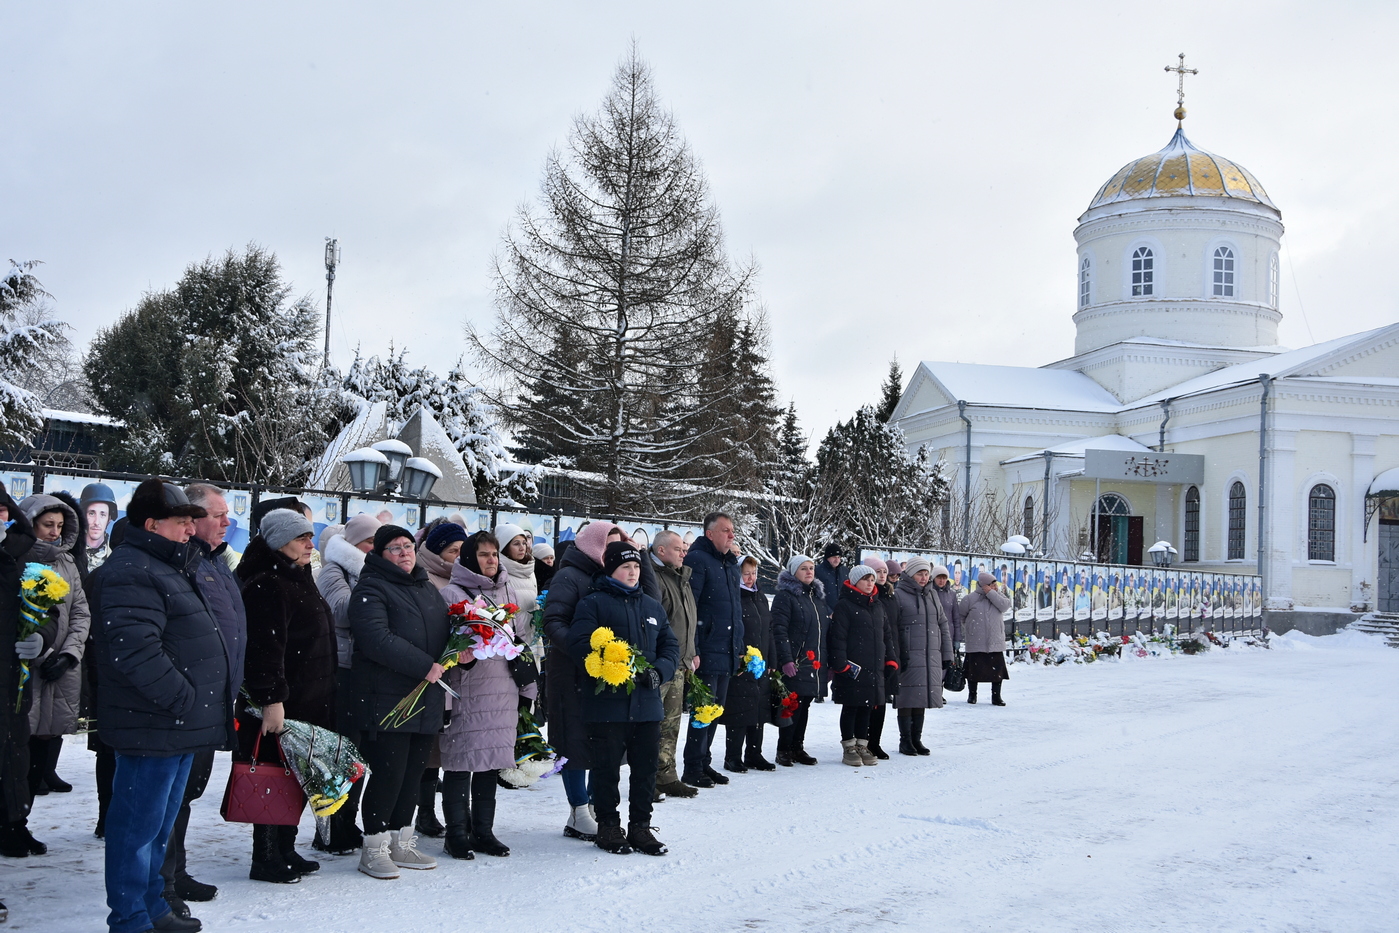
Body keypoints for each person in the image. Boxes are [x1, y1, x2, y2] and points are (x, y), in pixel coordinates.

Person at [88, 479, 230, 933]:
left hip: (176, 725)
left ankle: (152, 908)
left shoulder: (167, 564)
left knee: (157, 829)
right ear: (152, 525)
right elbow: (136, 652)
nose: (190, 530)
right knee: (136, 831)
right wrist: (184, 699)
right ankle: (130, 919)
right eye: (182, 522)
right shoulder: (132, 570)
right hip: (152, 724)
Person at [158, 483, 246, 916]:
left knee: (187, 793)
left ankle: (175, 872)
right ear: (191, 520)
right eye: (218, 515)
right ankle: (162, 884)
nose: (227, 522)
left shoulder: (215, 562)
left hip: (213, 700)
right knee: (168, 798)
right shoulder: (183, 563)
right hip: (187, 702)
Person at [237, 508, 337, 884]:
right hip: (283, 702)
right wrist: (271, 699)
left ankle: (285, 847)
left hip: (308, 698)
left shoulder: (297, 574)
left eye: (311, 537)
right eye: (301, 538)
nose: (310, 544)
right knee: (273, 775)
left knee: (295, 775)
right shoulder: (267, 583)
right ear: (279, 542)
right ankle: (265, 857)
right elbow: (265, 649)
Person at [543, 522, 659, 843]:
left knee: (604, 745)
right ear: (593, 544)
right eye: (609, 543)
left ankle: (595, 806)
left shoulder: (614, 574)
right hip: (573, 673)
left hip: (609, 675)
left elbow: (652, 600)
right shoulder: (570, 575)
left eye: (619, 544)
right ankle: (579, 810)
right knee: (574, 740)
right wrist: (588, 651)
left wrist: (640, 557)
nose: (614, 549)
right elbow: (553, 621)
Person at [347, 525, 449, 880]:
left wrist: (461, 652)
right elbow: (376, 638)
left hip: (426, 697)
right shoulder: (371, 587)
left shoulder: (425, 586)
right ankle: (373, 847)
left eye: (408, 546)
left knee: (413, 774)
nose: (405, 552)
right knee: (389, 774)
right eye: (395, 548)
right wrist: (424, 665)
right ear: (379, 554)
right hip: (387, 698)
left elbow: (443, 633)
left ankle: (401, 841)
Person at [566, 542, 679, 856]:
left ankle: (641, 827)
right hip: (607, 705)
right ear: (611, 569)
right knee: (606, 770)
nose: (632, 572)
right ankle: (608, 826)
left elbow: (671, 646)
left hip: (647, 705)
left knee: (645, 770)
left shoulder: (652, 606)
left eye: (636, 567)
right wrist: (613, 666)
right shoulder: (593, 603)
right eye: (625, 567)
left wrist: (658, 672)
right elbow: (580, 644)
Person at [437, 531, 536, 860]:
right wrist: (460, 658)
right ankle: (456, 834)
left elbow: (520, 641)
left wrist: (528, 688)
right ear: (468, 558)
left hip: (502, 690)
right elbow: (441, 647)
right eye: (483, 554)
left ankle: (483, 831)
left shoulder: (508, 589)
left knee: (489, 764)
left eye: (494, 554)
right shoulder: (451, 594)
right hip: (468, 691)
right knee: (459, 764)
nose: (492, 560)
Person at [13, 495, 90, 820]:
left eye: (59, 525)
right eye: (47, 525)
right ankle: (13, 821)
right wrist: (41, 652)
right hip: (25, 668)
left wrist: (69, 655)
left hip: (60, 670)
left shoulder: (67, 563)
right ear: (30, 523)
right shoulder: (14, 559)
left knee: (45, 741)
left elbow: (80, 613)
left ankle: (24, 819)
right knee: (18, 747)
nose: (55, 532)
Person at [313, 512, 379, 854]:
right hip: (342, 670)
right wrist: (377, 595)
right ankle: (329, 828)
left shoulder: (371, 572)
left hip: (367, 670)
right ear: (353, 543)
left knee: (360, 753)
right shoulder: (333, 569)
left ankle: (347, 821)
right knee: (341, 753)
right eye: (369, 542)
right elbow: (340, 610)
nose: (374, 548)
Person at [681, 512, 743, 789]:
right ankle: (692, 767)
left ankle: (704, 761)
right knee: (702, 711)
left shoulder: (730, 564)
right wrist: (693, 648)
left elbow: (735, 611)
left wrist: (738, 647)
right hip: (706, 650)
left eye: (732, 530)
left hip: (726, 649)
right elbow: (690, 608)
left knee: (715, 710)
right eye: (725, 530)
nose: (731, 535)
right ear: (710, 533)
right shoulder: (698, 560)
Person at [0, 491, 44, 862]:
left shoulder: (22, 554)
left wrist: (40, 636)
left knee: (14, 751)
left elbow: (47, 607)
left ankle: (14, 821)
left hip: (12, 676)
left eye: (2, 511)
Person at [645, 530, 698, 798]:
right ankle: (646, 780)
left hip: (679, 662)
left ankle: (666, 777)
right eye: (678, 549)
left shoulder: (681, 576)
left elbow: (686, 619)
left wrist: (691, 652)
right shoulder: (652, 577)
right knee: (651, 725)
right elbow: (655, 624)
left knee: (671, 724)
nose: (684, 553)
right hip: (660, 664)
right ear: (661, 550)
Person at [828, 564, 897, 767]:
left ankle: (862, 744)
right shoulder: (845, 605)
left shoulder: (877, 605)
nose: (870, 583)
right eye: (865, 579)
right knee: (851, 706)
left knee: (867, 706)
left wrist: (890, 660)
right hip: (853, 667)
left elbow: (887, 636)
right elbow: (837, 638)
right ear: (855, 581)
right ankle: (849, 746)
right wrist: (841, 665)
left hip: (874, 666)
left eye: (872, 580)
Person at [892, 557, 951, 757]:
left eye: (926, 574)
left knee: (922, 695)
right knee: (907, 697)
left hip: (929, 654)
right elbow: (893, 626)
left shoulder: (932, 595)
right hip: (908, 655)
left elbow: (943, 624)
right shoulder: (899, 595)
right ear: (910, 574)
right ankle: (905, 740)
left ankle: (916, 739)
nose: (924, 578)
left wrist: (947, 653)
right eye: (920, 574)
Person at [722, 555, 776, 773]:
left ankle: (754, 753)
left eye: (753, 573)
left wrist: (771, 659)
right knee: (739, 710)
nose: (751, 578)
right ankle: (733, 756)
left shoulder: (759, 596)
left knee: (759, 709)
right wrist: (738, 655)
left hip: (760, 664)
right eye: (746, 574)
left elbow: (769, 630)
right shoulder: (733, 595)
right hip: (741, 663)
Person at [770, 555, 824, 767]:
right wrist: (786, 658)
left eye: (811, 568)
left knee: (805, 703)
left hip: (812, 662)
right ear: (793, 572)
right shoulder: (786, 596)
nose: (809, 572)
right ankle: (784, 748)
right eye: (804, 568)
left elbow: (821, 632)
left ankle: (797, 747)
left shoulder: (815, 597)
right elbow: (779, 629)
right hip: (795, 660)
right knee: (792, 704)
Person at [862, 556, 900, 760]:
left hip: (888, 654)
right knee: (867, 701)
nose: (883, 575)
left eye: (885, 571)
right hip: (870, 655)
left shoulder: (891, 596)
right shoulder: (868, 597)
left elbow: (895, 628)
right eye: (878, 572)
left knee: (882, 701)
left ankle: (875, 742)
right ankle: (862, 741)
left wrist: (899, 654)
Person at [960, 572, 1011, 706]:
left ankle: (996, 696)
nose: (995, 587)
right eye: (991, 585)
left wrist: (991, 593)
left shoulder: (998, 596)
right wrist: (971, 628)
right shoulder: (970, 599)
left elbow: (1005, 605)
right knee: (973, 671)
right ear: (983, 585)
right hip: (976, 641)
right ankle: (972, 695)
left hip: (995, 641)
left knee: (997, 672)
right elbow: (961, 616)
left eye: (995, 584)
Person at [416, 521, 466, 592]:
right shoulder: (424, 581)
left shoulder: (469, 576)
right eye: (453, 551)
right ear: (437, 554)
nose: (460, 555)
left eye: (464, 549)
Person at [79, 482, 119, 570]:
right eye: (91, 513)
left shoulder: (117, 558)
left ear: (109, 519)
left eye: (103, 515)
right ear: (83, 516)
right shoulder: (70, 554)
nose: (96, 522)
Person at [929, 564, 962, 650]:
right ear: (934, 578)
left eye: (944, 578)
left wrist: (957, 638)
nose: (942, 581)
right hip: (932, 634)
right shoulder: (928, 593)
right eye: (939, 578)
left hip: (948, 634)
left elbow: (956, 618)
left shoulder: (951, 594)